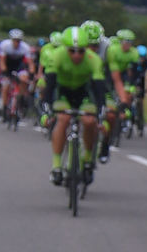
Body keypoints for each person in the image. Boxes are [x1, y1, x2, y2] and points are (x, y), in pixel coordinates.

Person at [42, 25, 105, 187]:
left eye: (81, 51)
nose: (76, 55)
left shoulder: (93, 60)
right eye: (72, 50)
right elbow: (49, 86)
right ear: (65, 48)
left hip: (83, 92)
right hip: (62, 91)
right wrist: (47, 108)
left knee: (90, 121)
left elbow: (99, 89)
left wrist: (101, 110)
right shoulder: (57, 56)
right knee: (63, 118)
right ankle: (56, 166)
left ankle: (87, 159)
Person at [99, 28, 140, 162]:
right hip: (109, 74)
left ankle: (123, 112)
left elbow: (132, 72)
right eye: (125, 41)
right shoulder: (113, 50)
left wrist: (130, 87)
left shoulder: (134, 53)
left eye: (130, 42)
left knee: (128, 93)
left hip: (122, 74)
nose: (128, 44)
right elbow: (114, 76)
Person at [0, 28, 33, 121]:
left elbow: (30, 63)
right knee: (5, 87)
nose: (16, 43)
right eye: (15, 40)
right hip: (7, 66)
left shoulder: (25, 47)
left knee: (24, 79)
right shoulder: (5, 45)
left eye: (18, 41)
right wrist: (5, 72)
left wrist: (32, 73)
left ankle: (20, 99)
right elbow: (2, 61)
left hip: (19, 65)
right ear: (11, 40)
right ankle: (4, 108)